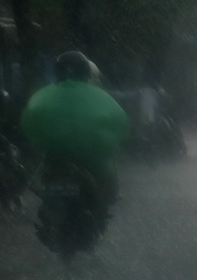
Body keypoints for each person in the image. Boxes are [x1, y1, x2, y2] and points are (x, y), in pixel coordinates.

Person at [21, 51, 129, 214]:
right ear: (86, 72)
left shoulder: (42, 95)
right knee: (109, 175)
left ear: (57, 71)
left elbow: (28, 124)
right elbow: (121, 123)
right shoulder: (101, 96)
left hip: (55, 157)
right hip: (91, 159)